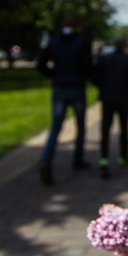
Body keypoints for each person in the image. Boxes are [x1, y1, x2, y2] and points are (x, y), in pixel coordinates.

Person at [35, 13, 93, 186]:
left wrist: (55, 75)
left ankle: (46, 158)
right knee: (81, 125)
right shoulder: (81, 43)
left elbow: (40, 65)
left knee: (56, 126)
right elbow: (87, 66)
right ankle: (77, 159)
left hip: (59, 88)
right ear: (78, 25)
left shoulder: (53, 42)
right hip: (76, 88)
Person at [94, 39, 128, 179]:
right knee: (123, 128)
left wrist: (102, 89)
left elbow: (95, 76)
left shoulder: (104, 59)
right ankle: (123, 156)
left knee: (105, 129)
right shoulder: (127, 61)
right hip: (122, 99)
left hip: (107, 99)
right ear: (124, 46)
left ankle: (103, 158)